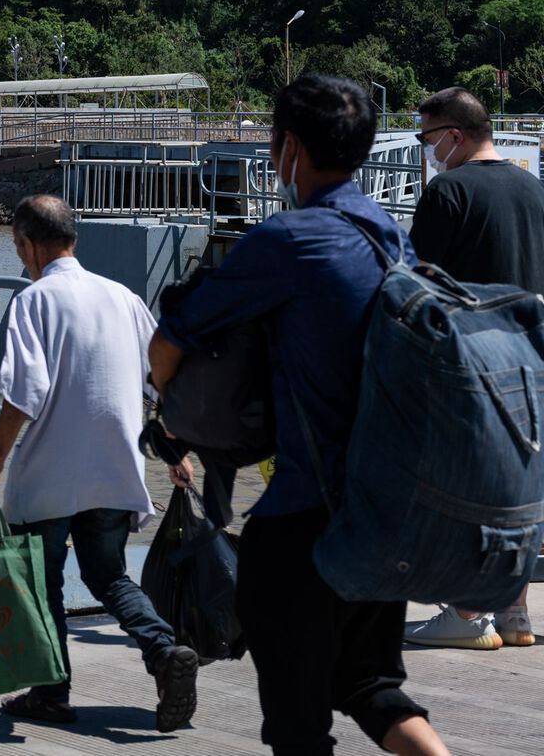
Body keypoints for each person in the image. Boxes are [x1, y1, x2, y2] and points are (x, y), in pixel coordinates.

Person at [152, 74, 450, 756]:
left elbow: (172, 338)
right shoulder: (391, 238)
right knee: (370, 684)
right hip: (383, 514)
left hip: (305, 521)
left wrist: (165, 406)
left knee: (296, 721)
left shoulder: (290, 240)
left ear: (288, 148)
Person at [0, 195, 198, 730]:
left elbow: (25, 391)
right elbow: (162, 381)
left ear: (27, 244)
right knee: (109, 575)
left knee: (42, 582)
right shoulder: (122, 297)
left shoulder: (34, 300)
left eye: (17, 248)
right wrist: (173, 451)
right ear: (74, 238)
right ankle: (164, 651)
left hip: (50, 475)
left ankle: (51, 693)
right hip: (116, 470)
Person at [403, 87, 544, 650]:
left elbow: (417, 285)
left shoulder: (449, 191)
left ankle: (465, 616)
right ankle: (514, 612)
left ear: (453, 136)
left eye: (426, 136)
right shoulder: (533, 189)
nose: (426, 147)